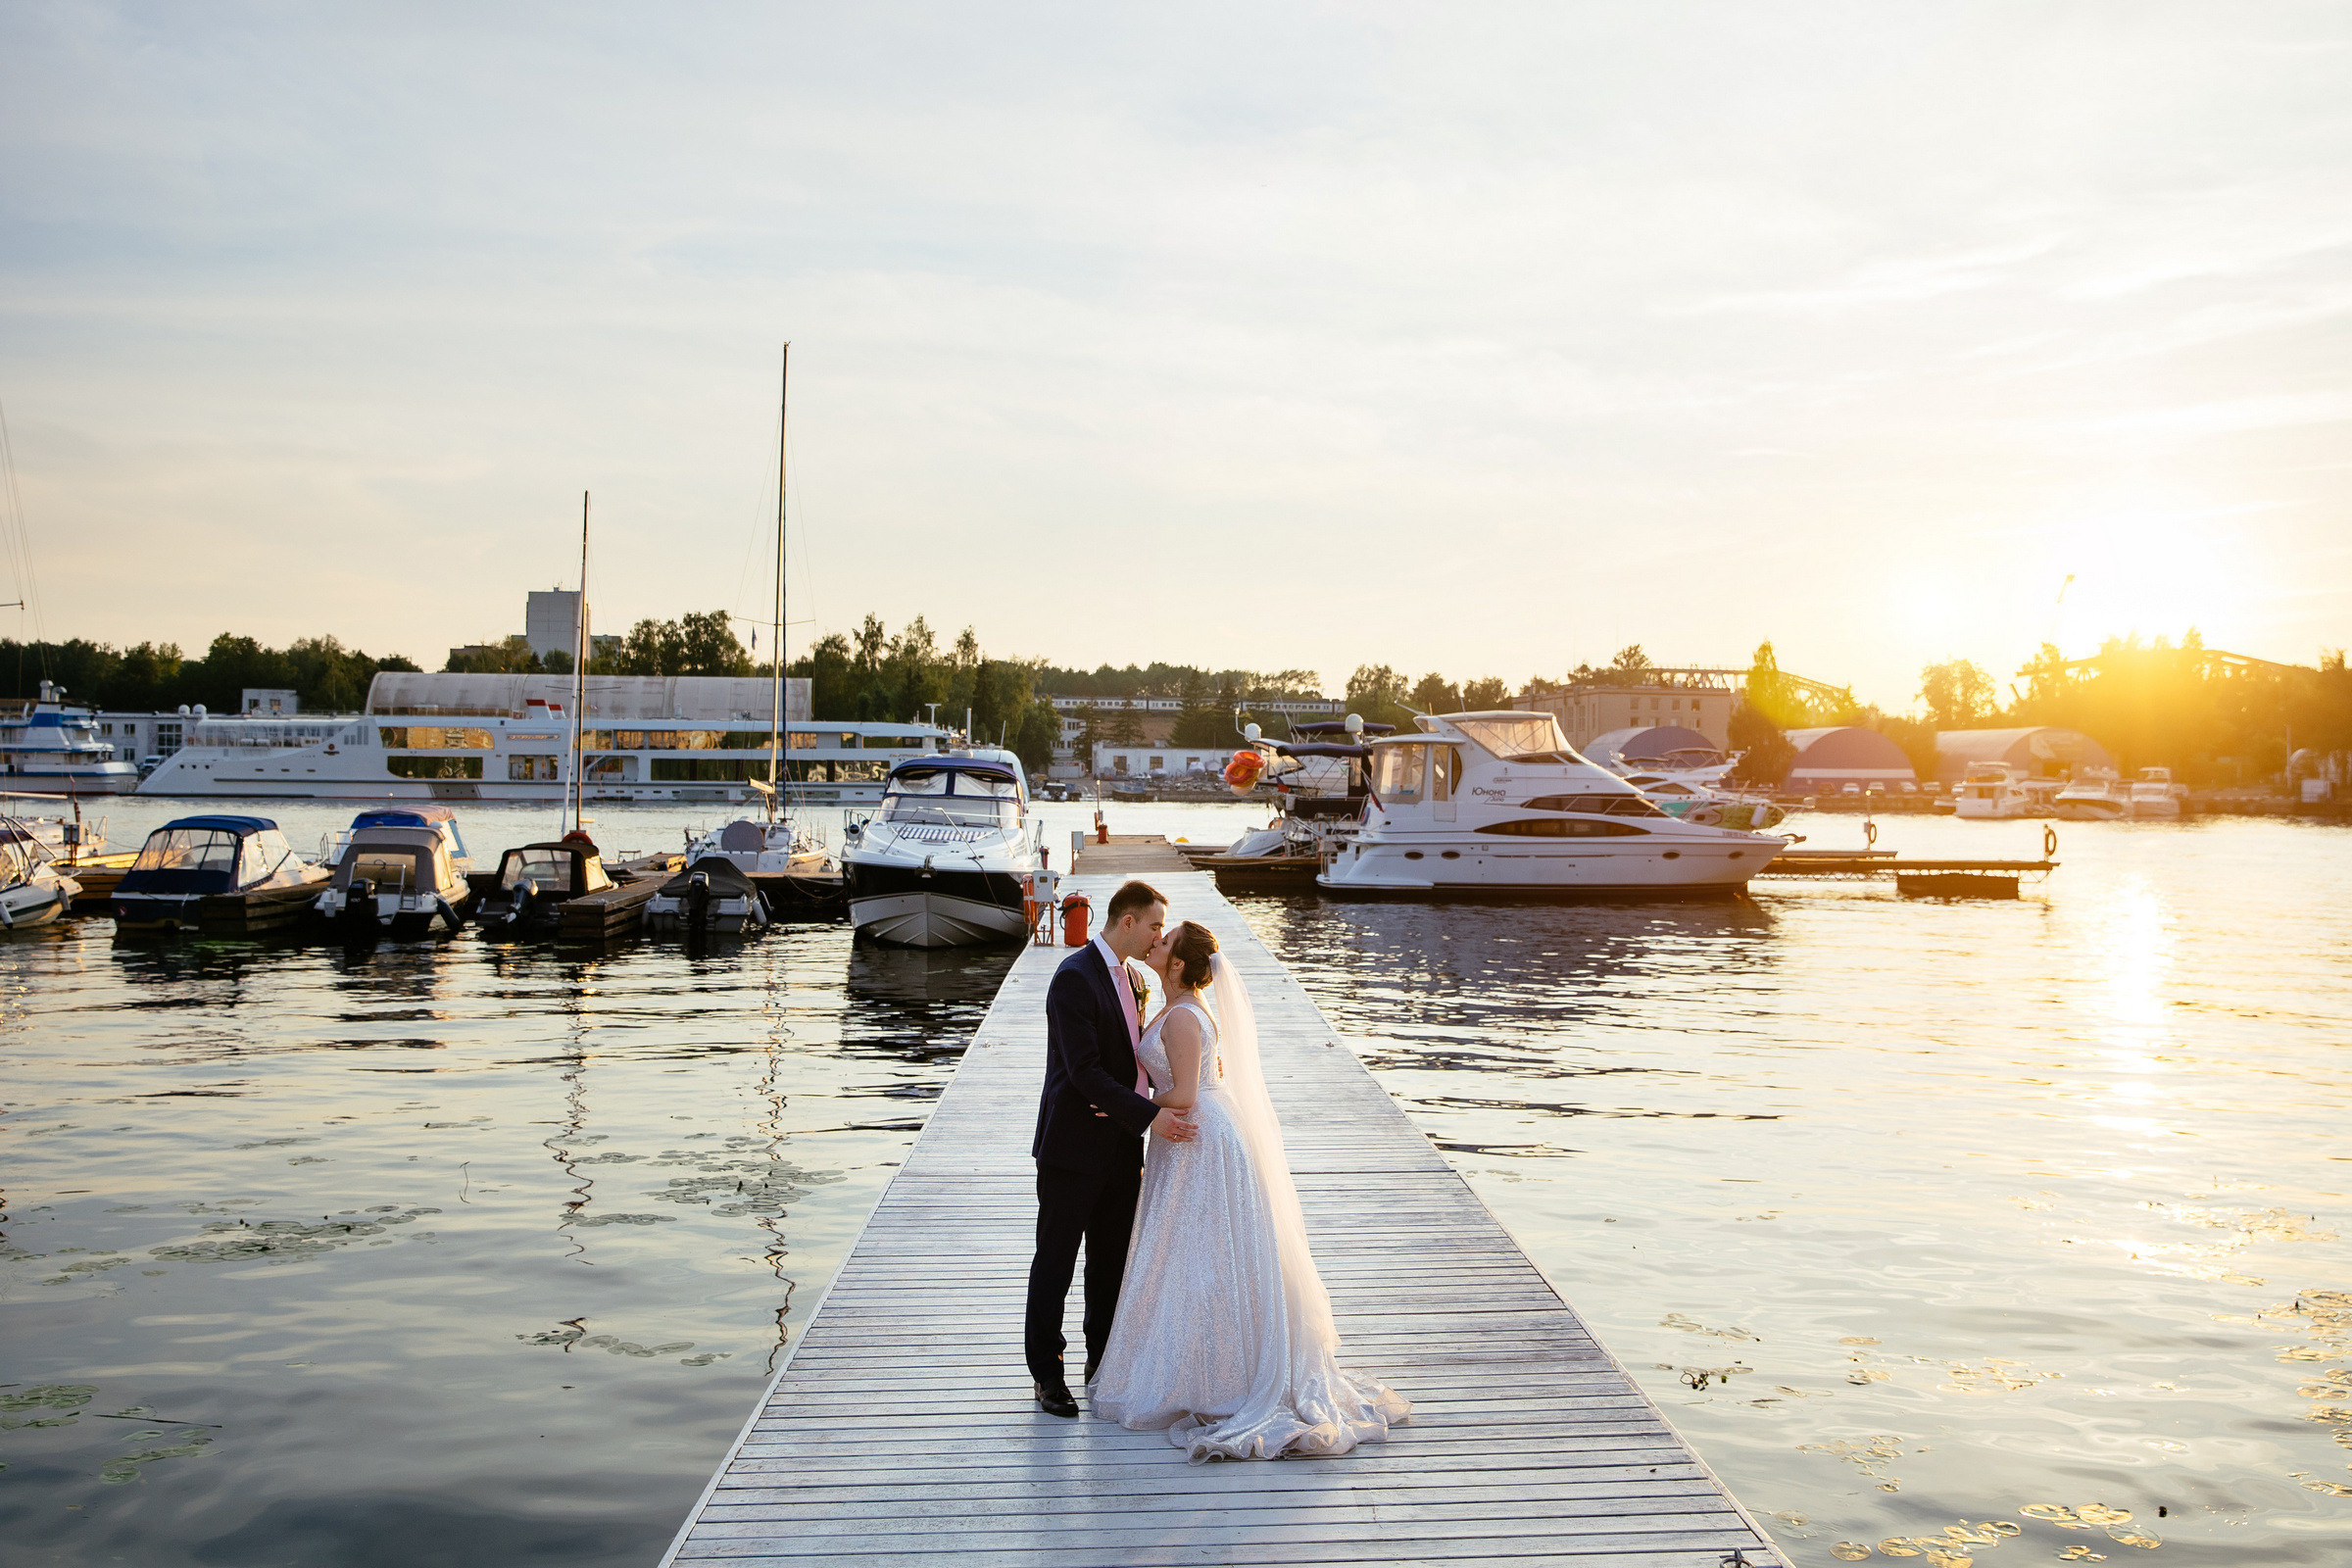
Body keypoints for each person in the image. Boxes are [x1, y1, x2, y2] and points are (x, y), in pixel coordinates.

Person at [1090, 918, 1410, 1460]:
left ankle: (1219, 1378)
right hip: (1185, 1139)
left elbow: (1188, 1091)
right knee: (1189, 1254)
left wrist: (1121, 1104)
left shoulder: (1186, 1016)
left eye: (1165, 942)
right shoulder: (1172, 1006)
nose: (1155, 942)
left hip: (1201, 1138)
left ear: (1179, 964)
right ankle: (1196, 1366)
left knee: (1205, 1254)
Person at [1024, 879, 1198, 1418]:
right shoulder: (1073, 978)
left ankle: (1101, 1361)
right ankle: (1047, 1373)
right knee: (1056, 1259)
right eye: (1154, 926)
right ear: (1128, 922)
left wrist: (1144, 1107)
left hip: (1121, 1150)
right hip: (1072, 1148)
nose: (1158, 937)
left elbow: (1133, 1063)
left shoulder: (1133, 980)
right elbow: (1083, 1071)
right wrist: (1151, 1116)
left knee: (1110, 1264)